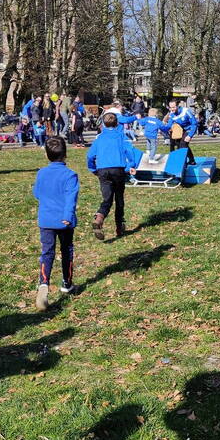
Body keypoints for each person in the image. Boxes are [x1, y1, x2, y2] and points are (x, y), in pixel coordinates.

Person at [32, 137, 80, 310]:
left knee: (47, 252)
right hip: (64, 221)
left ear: (46, 155)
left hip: (45, 220)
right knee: (66, 250)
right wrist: (67, 215)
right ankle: (67, 283)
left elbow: (36, 193)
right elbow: (71, 198)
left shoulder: (41, 173)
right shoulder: (70, 175)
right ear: (65, 154)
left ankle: (43, 283)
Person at [87, 112, 138, 240]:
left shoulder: (99, 138)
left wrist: (93, 169)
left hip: (103, 171)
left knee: (107, 199)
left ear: (103, 124)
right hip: (118, 170)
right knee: (119, 200)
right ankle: (119, 227)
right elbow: (130, 152)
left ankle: (99, 219)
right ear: (117, 124)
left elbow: (90, 156)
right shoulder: (121, 136)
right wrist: (131, 165)